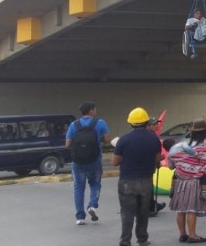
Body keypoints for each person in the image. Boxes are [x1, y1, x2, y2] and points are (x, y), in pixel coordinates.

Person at [112, 107, 162, 246]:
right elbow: (158, 160)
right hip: (146, 180)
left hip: (127, 180)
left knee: (127, 212)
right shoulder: (154, 139)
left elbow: (115, 162)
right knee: (143, 212)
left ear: (131, 123)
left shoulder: (124, 139)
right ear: (146, 122)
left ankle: (125, 241)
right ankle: (142, 239)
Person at [168, 119, 206, 244]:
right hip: (194, 182)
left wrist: (182, 169)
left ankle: (182, 234)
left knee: (181, 209)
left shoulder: (179, 147)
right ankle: (192, 235)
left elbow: (172, 164)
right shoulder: (205, 148)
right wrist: (196, 173)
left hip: (180, 181)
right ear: (205, 133)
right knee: (191, 209)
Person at [65, 101, 110, 225]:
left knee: (78, 188)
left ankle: (80, 217)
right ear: (91, 111)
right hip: (95, 160)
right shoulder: (100, 123)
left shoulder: (74, 125)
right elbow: (107, 140)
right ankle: (92, 205)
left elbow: (67, 144)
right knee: (95, 184)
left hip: (77, 162)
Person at [146, 118, 166, 216]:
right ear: (148, 126)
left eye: (156, 124)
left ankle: (153, 204)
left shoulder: (148, 135)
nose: (156, 126)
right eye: (154, 124)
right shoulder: (152, 137)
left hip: (147, 164)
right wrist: (158, 160)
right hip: (148, 165)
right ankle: (150, 207)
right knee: (148, 187)